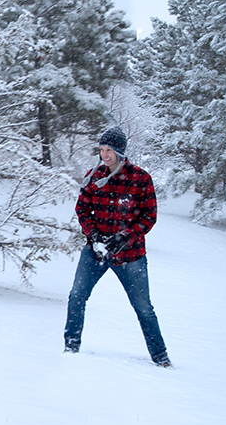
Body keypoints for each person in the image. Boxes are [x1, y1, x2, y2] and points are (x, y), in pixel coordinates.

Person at [63, 126, 171, 368]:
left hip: (130, 256)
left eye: (109, 150)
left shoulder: (141, 179)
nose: (105, 155)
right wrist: (93, 235)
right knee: (77, 296)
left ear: (120, 151)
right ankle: (70, 348)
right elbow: (82, 209)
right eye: (102, 149)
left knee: (143, 307)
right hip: (95, 252)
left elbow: (149, 216)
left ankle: (161, 357)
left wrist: (125, 237)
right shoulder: (93, 176)